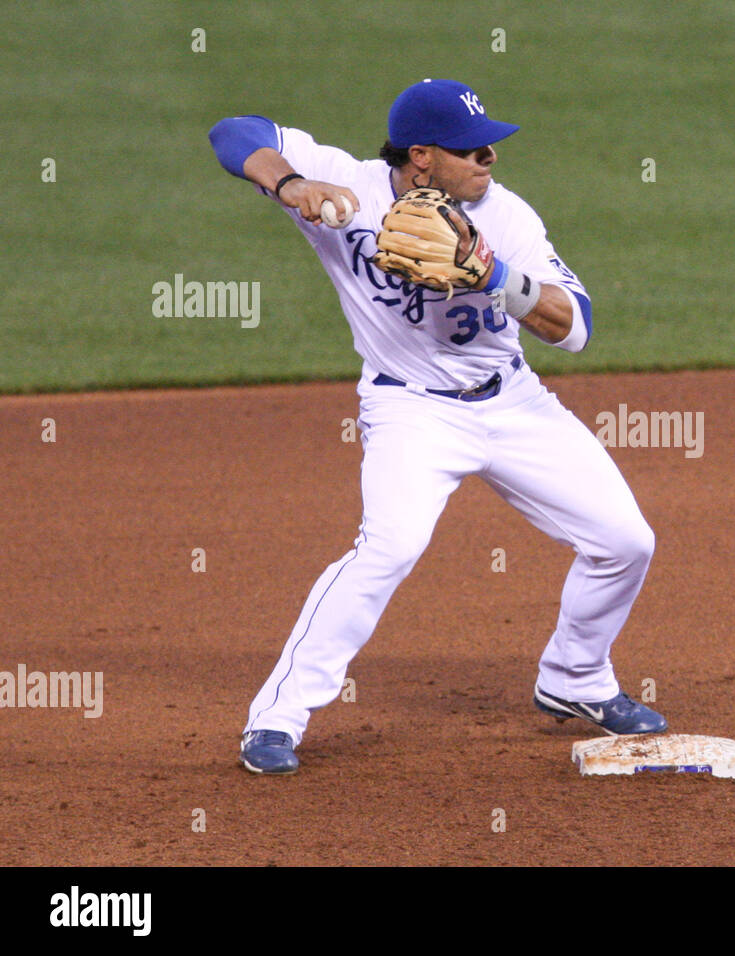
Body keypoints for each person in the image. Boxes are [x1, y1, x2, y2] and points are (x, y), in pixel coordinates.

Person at [208, 78, 666, 775]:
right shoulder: (349, 188)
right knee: (387, 548)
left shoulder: (506, 218)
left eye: (490, 148)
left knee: (625, 541)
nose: (489, 158)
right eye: (472, 150)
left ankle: (576, 678)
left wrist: (492, 276)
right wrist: (291, 185)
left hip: (513, 404)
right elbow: (233, 131)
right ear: (420, 157)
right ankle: (277, 718)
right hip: (410, 410)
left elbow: (574, 328)